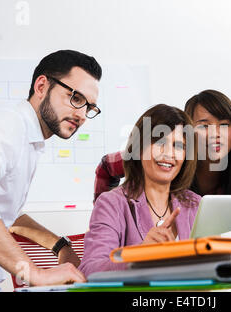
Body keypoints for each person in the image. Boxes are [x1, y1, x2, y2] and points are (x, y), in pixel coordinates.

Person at [0, 50, 102, 291]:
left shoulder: (28, 138)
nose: (82, 114)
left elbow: (7, 214)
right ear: (41, 86)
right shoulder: (5, 123)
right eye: (75, 98)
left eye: (89, 107)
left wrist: (60, 246)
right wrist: (35, 273)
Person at [79, 104, 200, 276]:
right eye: (159, 142)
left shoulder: (197, 205)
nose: (169, 154)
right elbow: (90, 270)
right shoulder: (111, 204)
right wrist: (140, 256)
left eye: (178, 146)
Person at [93, 89, 231, 201]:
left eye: (224, 125)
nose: (216, 134)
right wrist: (103, 211)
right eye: (203, 125)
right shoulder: (168, 159)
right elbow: (107, 165)